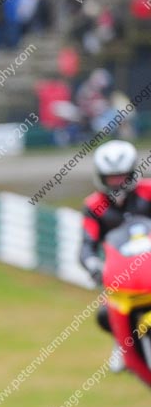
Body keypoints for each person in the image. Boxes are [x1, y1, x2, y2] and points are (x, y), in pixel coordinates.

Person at [80, 140, 149, 372]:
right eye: (112, 178)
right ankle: (124, 343)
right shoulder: (94, 206)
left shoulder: (148, 193)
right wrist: (93, 266)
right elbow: (86, 246)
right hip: (120, 278)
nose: (117, 182)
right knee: (104, 315)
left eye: (122, 176)